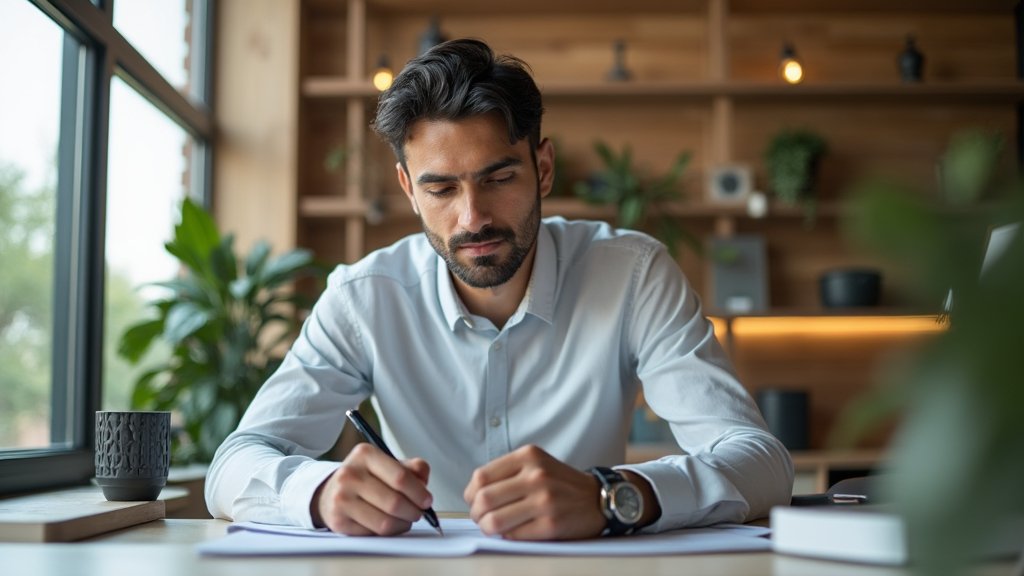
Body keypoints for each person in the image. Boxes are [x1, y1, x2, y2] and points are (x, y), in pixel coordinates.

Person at [205, 38, 793, 541]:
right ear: (409, 190)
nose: (472, 218)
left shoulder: (634, 275)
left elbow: (762, 462)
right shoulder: (363, 298)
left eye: (498, 178)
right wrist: (321, 491)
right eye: (441, 190)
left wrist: (611, 496)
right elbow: (232, 466)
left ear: (542, 168)